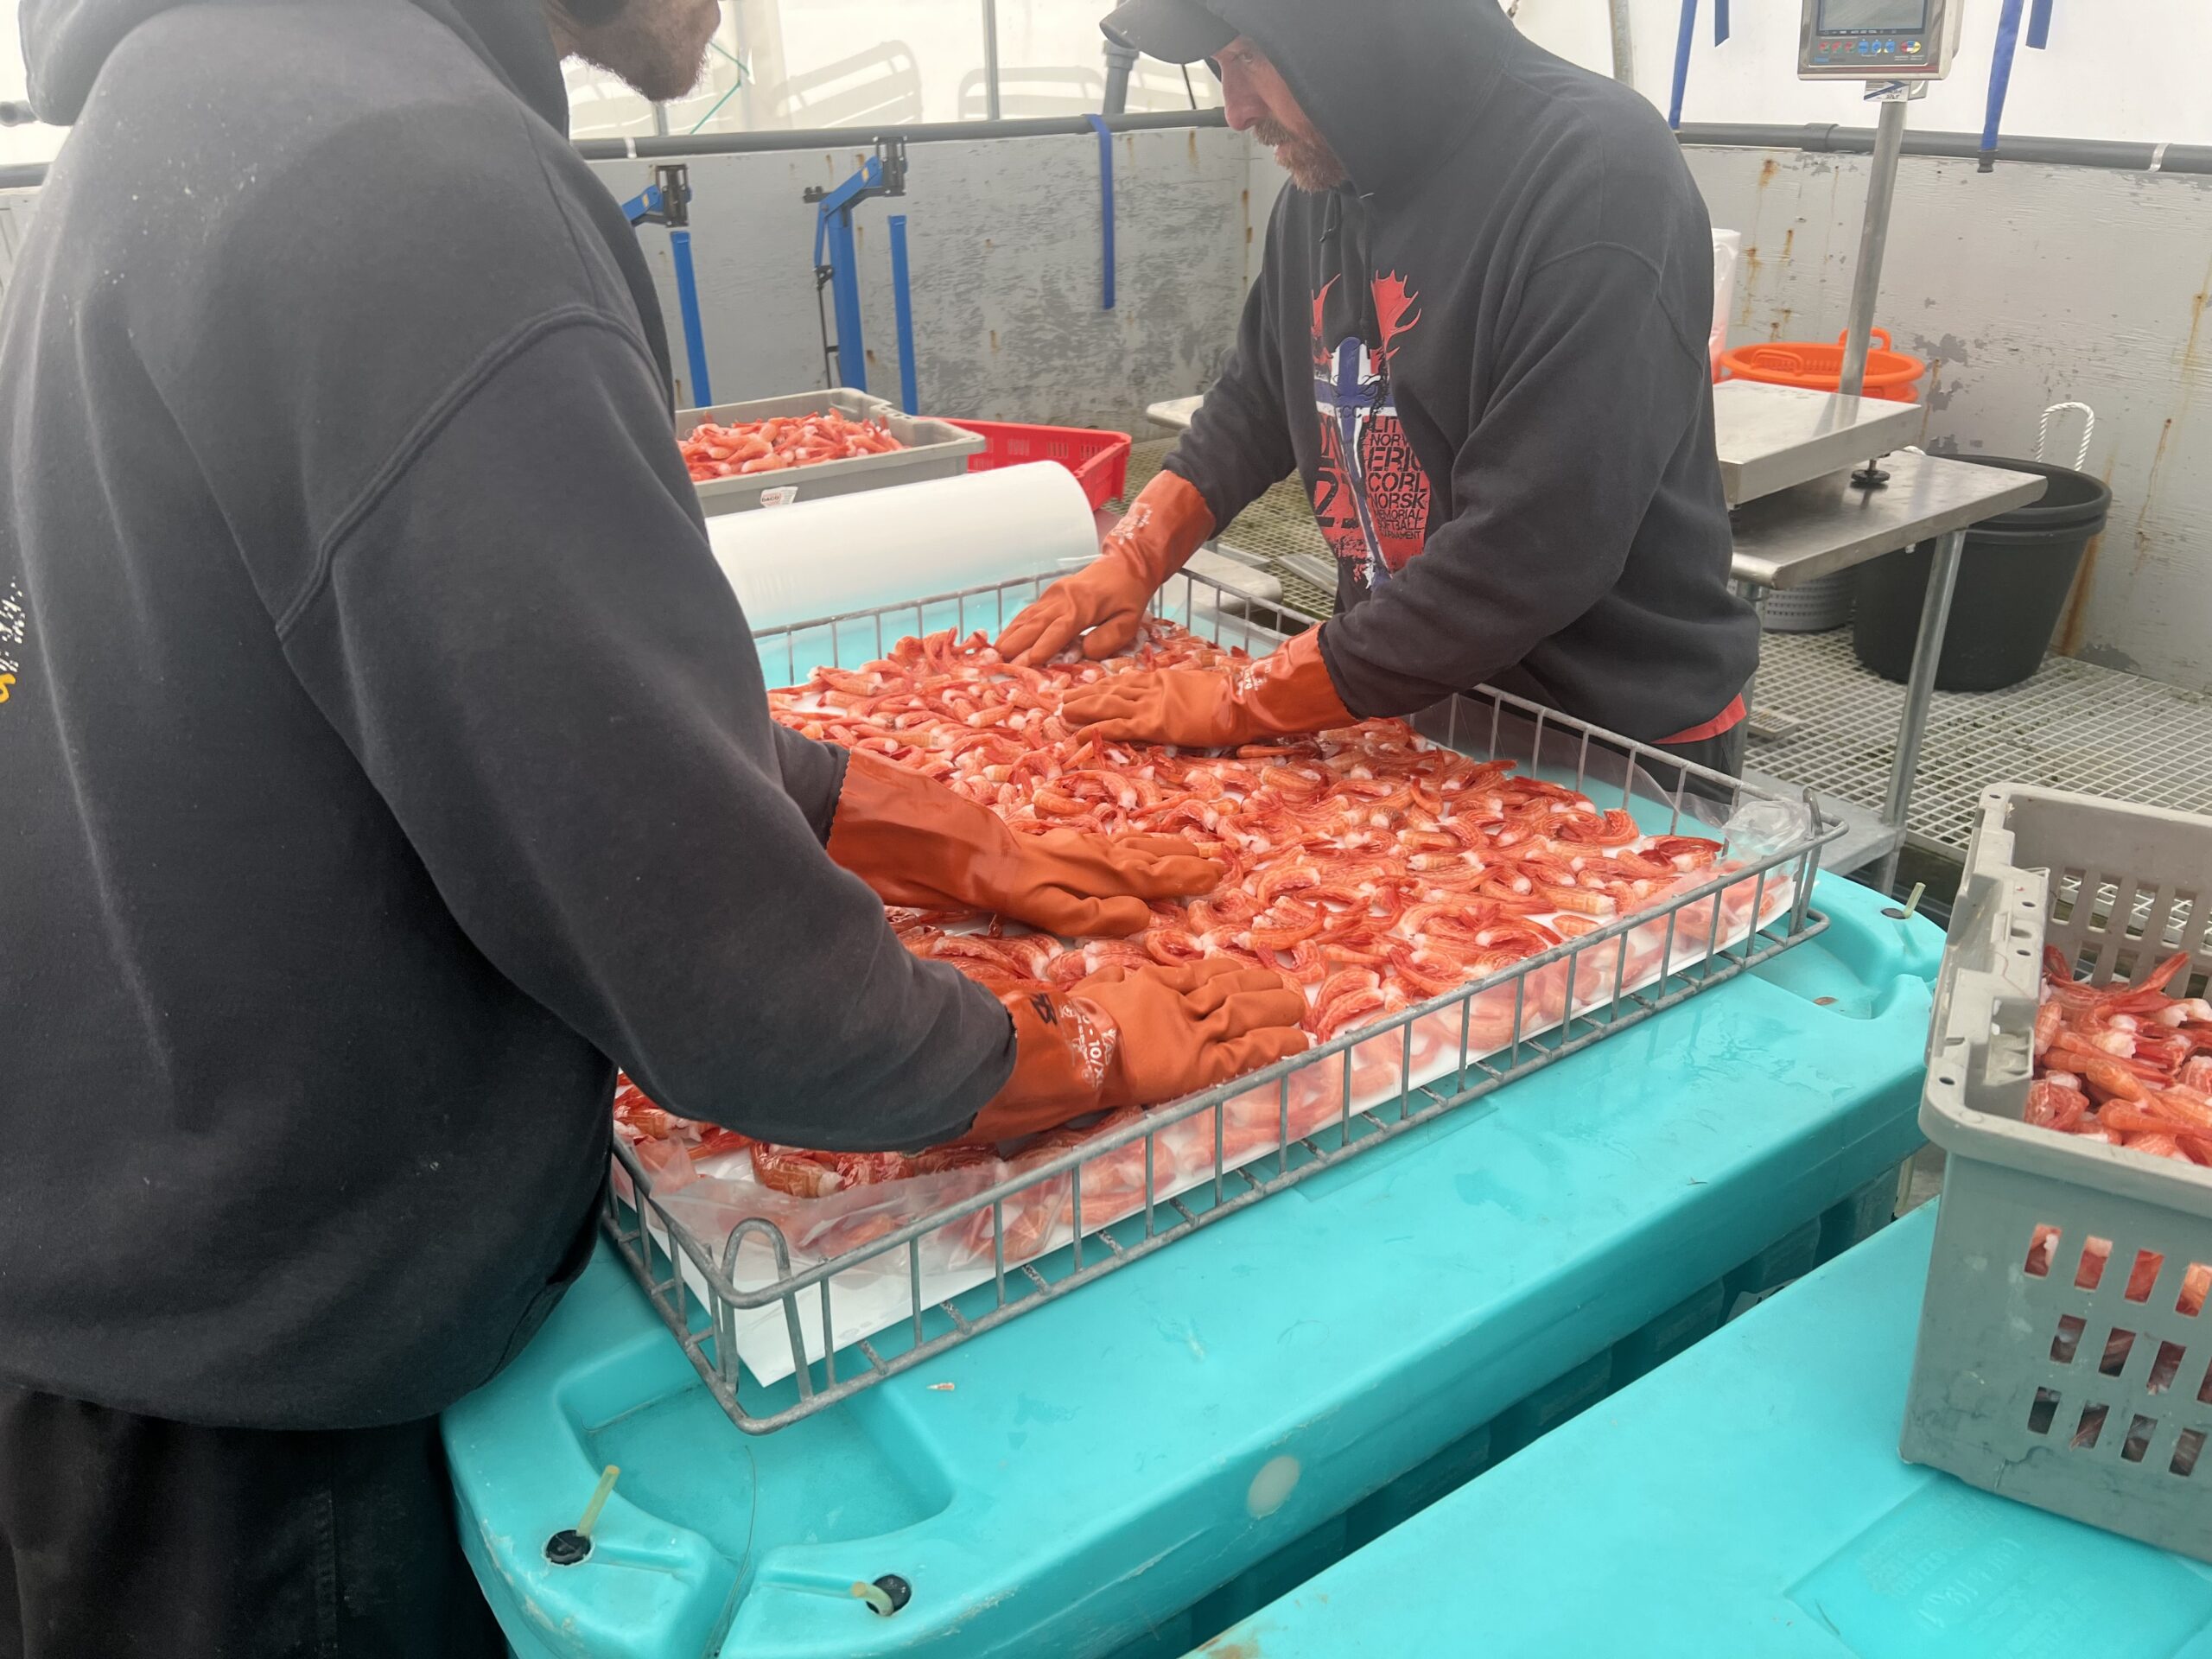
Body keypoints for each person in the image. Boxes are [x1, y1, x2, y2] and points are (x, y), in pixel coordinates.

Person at [0, 0, 1307, 1651]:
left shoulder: (195, 100)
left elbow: (456, 682)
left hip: (121, 1291)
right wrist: (1071, 1050)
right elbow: (710, 959)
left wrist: (924, 829)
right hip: (275, 1418)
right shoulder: (403, 173)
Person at [1001, 0, 1760, 780]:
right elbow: (1258, 399)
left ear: (1361, 29)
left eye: (1251, 56)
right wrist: (1135, 554)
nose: (1236, 111)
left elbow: (1535, 543)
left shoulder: (1597, 176)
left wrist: (1244, 700)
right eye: (1220, 67)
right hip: (1393, 698)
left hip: (1606, 732)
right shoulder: (1330, 169)